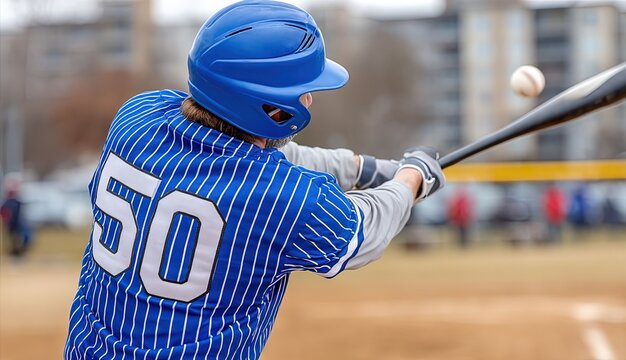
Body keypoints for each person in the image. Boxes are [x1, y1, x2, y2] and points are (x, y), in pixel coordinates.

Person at [64, 1, 445, 359]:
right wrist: (413, 178)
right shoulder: (287, 200)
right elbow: (366, 228)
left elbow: (261, 157)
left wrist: (363, 168)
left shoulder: (136, 118)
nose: (309, 98)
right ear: (266, 105)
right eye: (302, 90)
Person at [1, 183, 32, 258]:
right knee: (13, 240)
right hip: (11, 225)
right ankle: (14, 253)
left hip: (17, 224)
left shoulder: (17, 203)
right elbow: (3, 213)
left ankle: (19, 252)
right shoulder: (7, 203)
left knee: (21, 239)